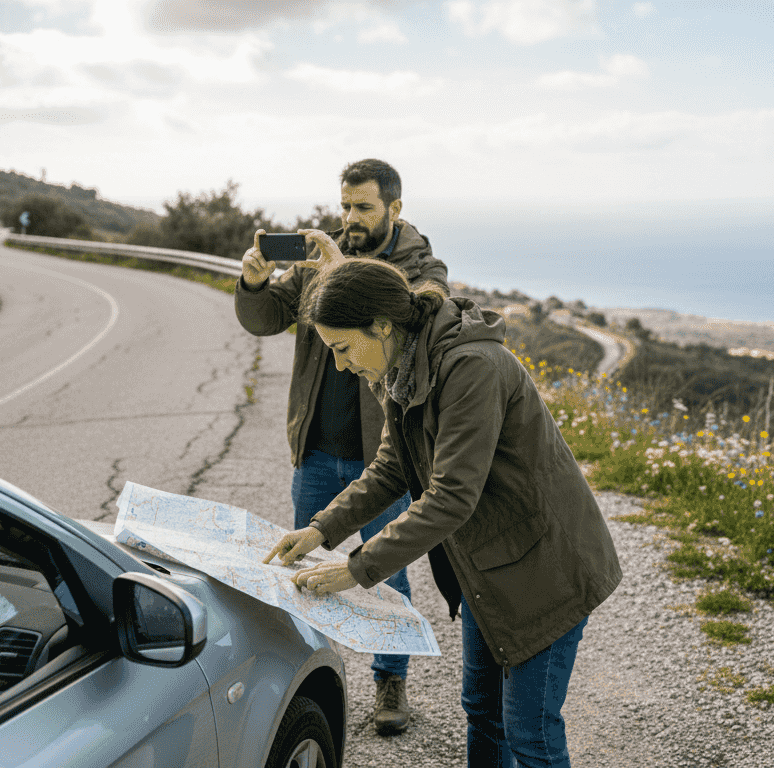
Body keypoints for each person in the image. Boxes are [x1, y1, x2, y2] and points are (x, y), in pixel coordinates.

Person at [262, 232, 623, 768]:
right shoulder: (402, 365)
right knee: (482, 710)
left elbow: (451, 497)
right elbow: (390, 467)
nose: (339, 366)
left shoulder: (469, 366)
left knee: (532, 734)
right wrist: (321, 530)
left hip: (546, 570)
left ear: (381, 325)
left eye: (341, 349)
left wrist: (356, 569)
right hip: (488, 567)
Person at [235, 159, 448, 735]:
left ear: (395, 210)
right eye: (346, 207)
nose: (350, 219)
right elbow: (267, 318)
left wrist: (343, 269)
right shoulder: (315, 265)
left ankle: (389, 679)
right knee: (303, 567)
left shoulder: (418, 265)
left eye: (364, 208)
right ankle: (306, 677)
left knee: (386, 573)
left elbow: (427, 304)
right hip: (315, 445)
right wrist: (255, 283)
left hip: (382, 454)